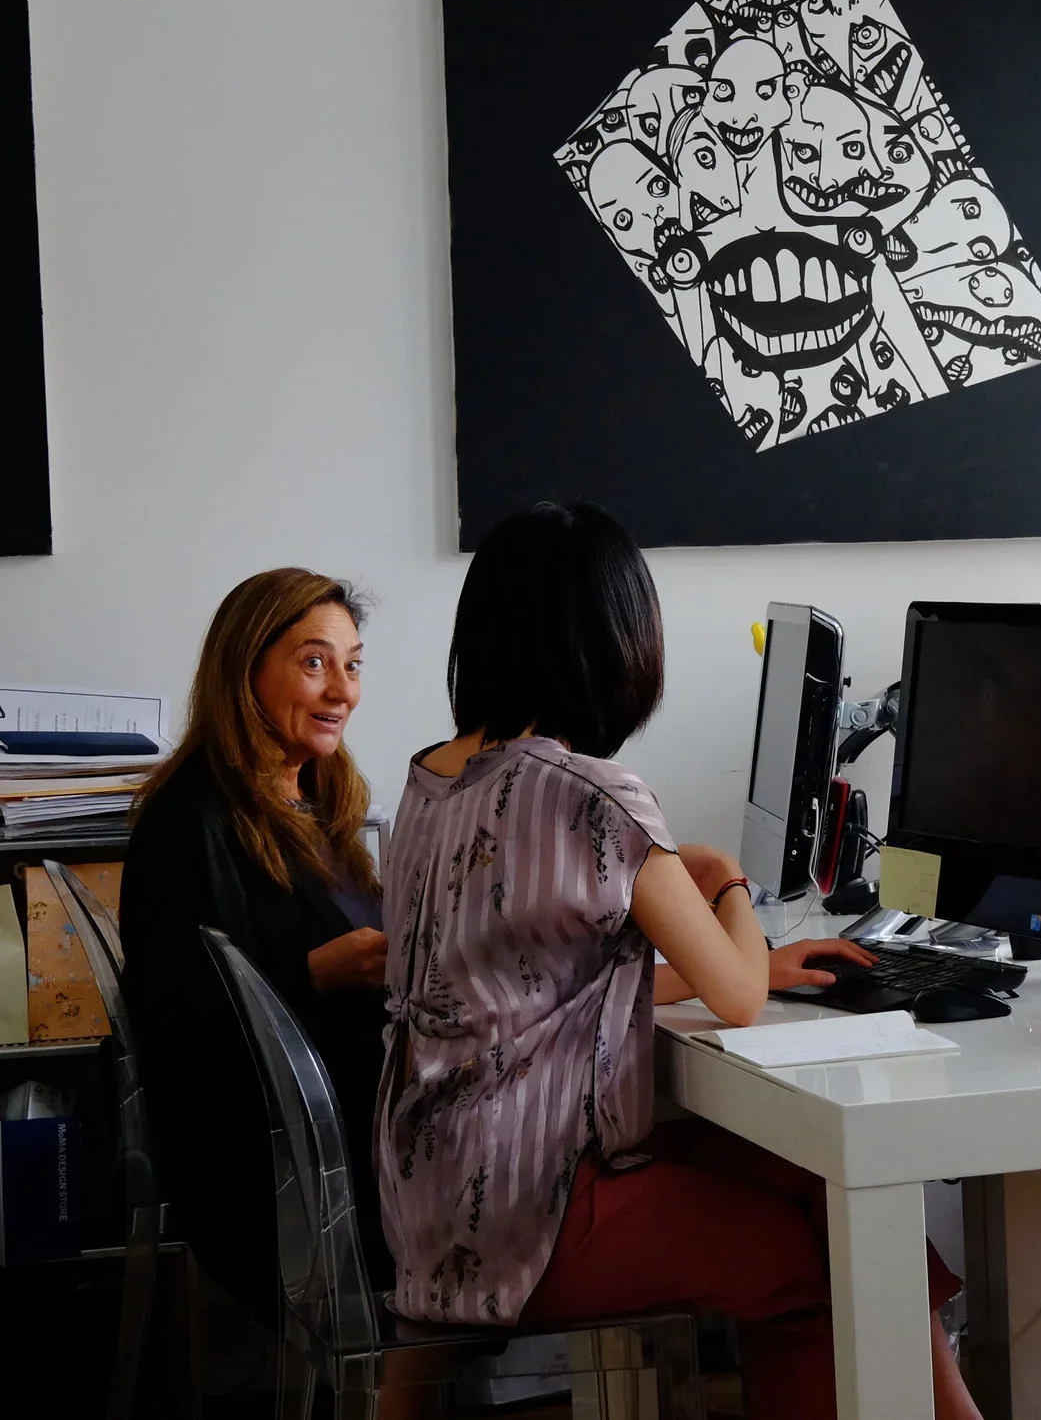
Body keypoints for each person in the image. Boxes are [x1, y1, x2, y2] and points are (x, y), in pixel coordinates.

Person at [376, 502, 981, 1420]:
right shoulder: (590, 795)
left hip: (433, 1197)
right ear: (616, 644)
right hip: (533, 1219)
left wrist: (741, 960)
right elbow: (738, 1000)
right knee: (825, 1262)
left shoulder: (431, 778)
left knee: (817, 1179)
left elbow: (531, 997)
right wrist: (726, 882)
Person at [121, 569, 391, 1319]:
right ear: (246, 670)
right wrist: (313, 974)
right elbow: (179, 1023)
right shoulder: (189, 822)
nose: (343, 689)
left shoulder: (311, 800)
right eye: (315, 662)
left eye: (353, 662)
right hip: (278, 1178)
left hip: (332, 1145)